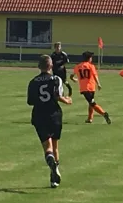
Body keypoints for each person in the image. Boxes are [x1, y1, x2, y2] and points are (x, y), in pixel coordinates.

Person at [27, 55, 72, 188]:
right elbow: (57, 96)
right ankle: (54, 177)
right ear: (51, 66)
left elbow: (30, 101)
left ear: (38, 66)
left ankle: (51, 162)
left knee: (47, 146)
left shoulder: (33, 82)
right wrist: (67, 100)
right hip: (54, 114)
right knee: (55, 145)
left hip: (39, 115)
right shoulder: (56, 79)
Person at [70, 51, 111, 124]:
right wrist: (98, 84)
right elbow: (95, 75)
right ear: (89, 58)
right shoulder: (91, 66)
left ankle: (104, 113)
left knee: (92, 103)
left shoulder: (78, 66)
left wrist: (73, 79)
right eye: (91, 57)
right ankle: (90, 118)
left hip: (85, 88)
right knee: (91, 102)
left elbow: (71, 76)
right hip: (92, 87)